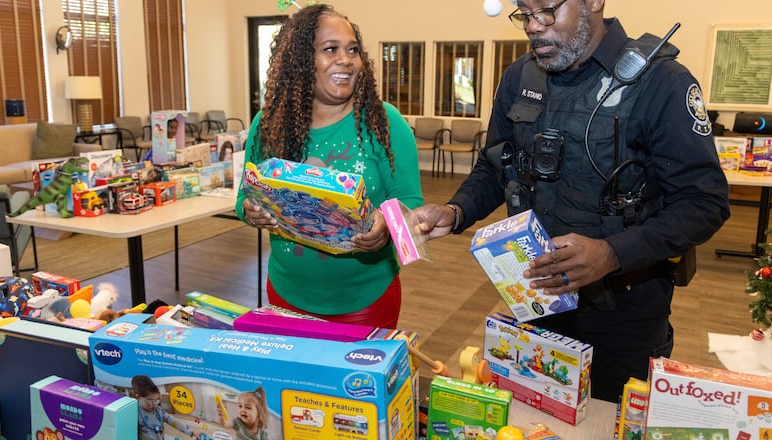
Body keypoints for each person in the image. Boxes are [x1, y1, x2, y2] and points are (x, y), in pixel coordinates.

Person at [413, 0, 730, 402]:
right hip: (537, 299)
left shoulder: (661, 82)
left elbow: (704, 202)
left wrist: (611, 254)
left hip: (625, 315)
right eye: (524, 15)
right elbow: (495, 168)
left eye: (546, 11)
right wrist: (456, 210)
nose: (532, 26)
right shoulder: (520, 77)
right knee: (534, 417)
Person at [235, 4, 422, 329]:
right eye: (330, 49)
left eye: (353, 50)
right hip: (285, 294)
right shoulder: (268, 125)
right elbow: (242, 200)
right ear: (301, 61)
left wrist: (387, 228)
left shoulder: (384, 123)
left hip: (366, 300)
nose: (346, 59)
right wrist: (252, 211)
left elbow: (413, 208)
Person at [131, 375, 200, 439]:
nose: (154, 404)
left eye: (157, 400)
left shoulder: (158, 410)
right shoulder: (134, 413)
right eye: (151, 401)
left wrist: (191, 431)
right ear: (138, 397)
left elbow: (173, 421)